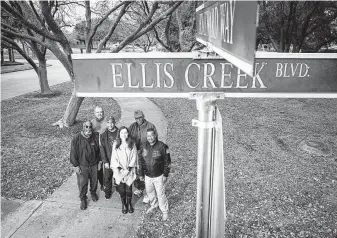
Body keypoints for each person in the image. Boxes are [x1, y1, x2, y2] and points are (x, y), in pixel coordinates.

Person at [139, 128, 170, 221]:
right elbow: (140, 161)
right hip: (148, 176)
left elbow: (167, 162)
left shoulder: (162, 146)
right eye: (148, 136)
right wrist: (141, 174)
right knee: (150, 193)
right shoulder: (143, 146)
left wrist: (165, 174)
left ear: (155, 135)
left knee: (161, 194)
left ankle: (164, 211)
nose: (150, 138)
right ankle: (153, 205)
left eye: (152, 135)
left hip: (159, 176)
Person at [70, 121, 100, 210]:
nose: (88, 129)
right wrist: (75, 165)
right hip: (82, 165)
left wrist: (100, 162)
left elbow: (99, 150)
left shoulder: (95, 136)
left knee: (94, 181)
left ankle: (93, 193)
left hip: (94, 164)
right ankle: (83, 199)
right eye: (86, 127)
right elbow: (73, 153)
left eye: (90, 127)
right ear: (83, 127)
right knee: (82, 183)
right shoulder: (77, 138)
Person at [129, 110, 156, 199]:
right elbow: (128, 139)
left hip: (147, 152)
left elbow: (154, 140)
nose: (138, 120)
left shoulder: (150, 126)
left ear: (143, 116)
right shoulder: (132, 127)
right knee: (137, 171)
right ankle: (140, 188)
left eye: (140, 117)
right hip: (136, 153)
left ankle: (149, 193)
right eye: (136, 118)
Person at [110, 126, 138, 214]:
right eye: (122, 133)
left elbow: (134, 157)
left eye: (125, 132)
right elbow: (114, 158)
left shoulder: (132, 144)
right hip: (119, 171)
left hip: (129, 170)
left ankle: (129, 203)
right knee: (121, 189)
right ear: (119, 134)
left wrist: (129, 168)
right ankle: (124, 204)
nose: (124, 134)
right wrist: (120, 169)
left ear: (128, 134)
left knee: (129, 188)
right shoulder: (115, 144)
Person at [99, 116, 118, 199]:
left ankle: (119, 189)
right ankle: (108, 191)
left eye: (112, 122)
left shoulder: (119, 132)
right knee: (107, 177)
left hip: (118, 160)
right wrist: (105, 161)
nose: (110, 124)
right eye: (108, 122)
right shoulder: (103, 135)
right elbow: (102, 149)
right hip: (108, 160)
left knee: (118, 176)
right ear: (106, 123)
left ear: (115, 122)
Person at [91, 106, 107, 191]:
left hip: (106, 148)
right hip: (97, 149)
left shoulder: (107, 121)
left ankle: (113, 181)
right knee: (99, 167)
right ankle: (102, 184)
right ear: (94, 113)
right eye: (97, 112)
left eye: (101, 112)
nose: (100, 114)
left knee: (109, 167)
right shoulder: (92, 123)